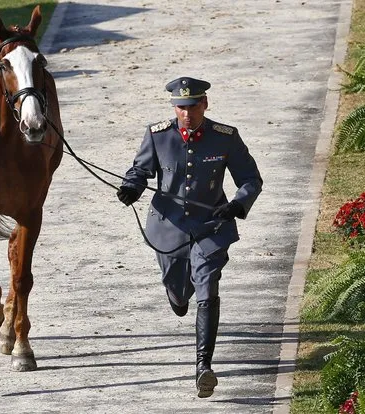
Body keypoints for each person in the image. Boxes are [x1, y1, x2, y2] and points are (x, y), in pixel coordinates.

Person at [116, 77, 262, 398]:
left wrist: (237, 205)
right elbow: (139, 171)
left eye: (192, 106)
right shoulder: (158, 136)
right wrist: (131, 187)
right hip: (168, 228)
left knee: (207, 285)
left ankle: (203, 366)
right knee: (180, 295)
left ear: (204, 104)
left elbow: (251, 179)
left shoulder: (225, 137)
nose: (186, 113)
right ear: (174, 108)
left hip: (211, 226)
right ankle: (178, 296)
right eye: (180, 107)